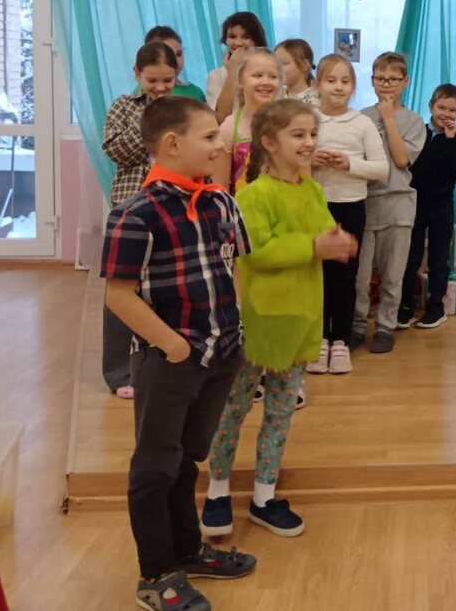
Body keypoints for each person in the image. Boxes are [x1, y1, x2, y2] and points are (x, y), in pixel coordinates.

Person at [100, 96, 257, 611]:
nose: (220, 147)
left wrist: (236, 332)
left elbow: (232, 267)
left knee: (188, 456)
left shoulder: (222, 203)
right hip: (169, 362)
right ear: (172, 143)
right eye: (210, 137)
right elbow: (118, 295)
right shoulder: (134, 214)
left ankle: (187, 550)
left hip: (221, 354)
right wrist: (172, 346)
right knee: (155, 467)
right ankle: (156, 575)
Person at [202, 100, 357, 541]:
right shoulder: (254, 195)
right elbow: (257, 252)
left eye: (313, 134)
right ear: (270, 143)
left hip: (300, 320)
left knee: (280, 413)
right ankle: (216, 492)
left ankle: (264, 497)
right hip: (257, 324)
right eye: (299, 135)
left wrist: (336, 240)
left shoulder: (311, 190)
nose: (309, 143)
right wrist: (314, 246)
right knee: (233, 410)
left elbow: (322, 231)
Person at [100, 40, 179, 398]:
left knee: (166, 287)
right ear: (137, 75)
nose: (160, 88)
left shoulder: (183, 109)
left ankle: (166, 361)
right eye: (152, 81)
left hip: (172, 206)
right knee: (122, 287)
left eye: (167, 80)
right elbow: (117, 151)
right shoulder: (124, 106)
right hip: (131, 205)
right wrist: (149, 118)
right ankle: (119, 372)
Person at [306, 55, 388, 375]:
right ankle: (319, 340)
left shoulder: (362, 123)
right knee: (316, 276)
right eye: (331, 80)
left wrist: (349, 164)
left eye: (345, 81)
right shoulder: (309, 120)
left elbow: (381, 169)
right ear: (318, 84)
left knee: (345, 276)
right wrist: (312, 160)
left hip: (351, 207)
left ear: (353, 87)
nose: (338, 87)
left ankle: (340, 339)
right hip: (314, 207)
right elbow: (291, 159)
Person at [352, 52, 427, 354]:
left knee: (392, 274)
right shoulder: (360, 117)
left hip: (398, 204)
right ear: (372, 81)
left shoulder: (414, 121)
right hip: (365, 203)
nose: (386, 85)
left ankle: (385, 326)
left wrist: (388, 118)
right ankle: (357, 326)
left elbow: (401, 159)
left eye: (393, 79)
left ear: (405, 82)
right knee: (359, 276)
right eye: (380, 79)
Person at [402, 84, 456, 330]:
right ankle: (405, 305)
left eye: (452, 110)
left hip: (441, 205)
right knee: (411, 256)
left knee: (439, 259)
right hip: (415, 202)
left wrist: (450, 140)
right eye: (442, 107)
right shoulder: (417, 133)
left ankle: (435, 307)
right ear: (431, 106)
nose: (446, 114)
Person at [215, 48, 282, 194]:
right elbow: (220, 185)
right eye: (258, 75)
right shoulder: (229, 128)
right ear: (240, 80)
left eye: (273, 76)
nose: (266, 82)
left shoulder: (288, 123)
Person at [206, 11, 269, 123]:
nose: (238, 43)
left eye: (246, 37)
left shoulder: (269, 72)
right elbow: (219, 119)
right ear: (225, 40)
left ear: (257, 40)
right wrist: (232, 73)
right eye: (232, 36)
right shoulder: (216, 75)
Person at [143, 26, 206, 102]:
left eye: (179, 54)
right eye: (169, 55)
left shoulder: (195, 92)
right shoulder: (144, 93)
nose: (176, 61)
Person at [275, 39, 319, 105]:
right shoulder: (276, 95)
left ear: (304, 65)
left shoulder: (316, 99)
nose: (277, 68)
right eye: (275, 63)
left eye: (284, 63)